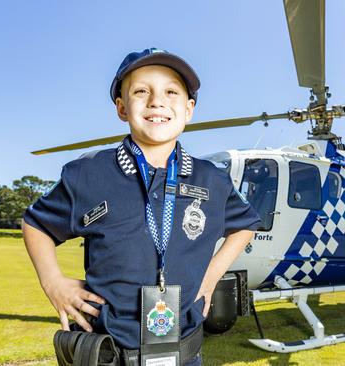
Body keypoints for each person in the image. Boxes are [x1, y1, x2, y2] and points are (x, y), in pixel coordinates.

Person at [22, 48, 260, 366]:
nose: (157, 102)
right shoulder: (88, 173)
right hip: (108, 353)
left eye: (171, 91)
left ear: (189, 109)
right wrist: (52, 281)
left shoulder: (212, 180)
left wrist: (213, 273)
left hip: (185, 354)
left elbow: (246, 223)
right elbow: (36, 224)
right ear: (122, 108)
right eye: (141, 91)